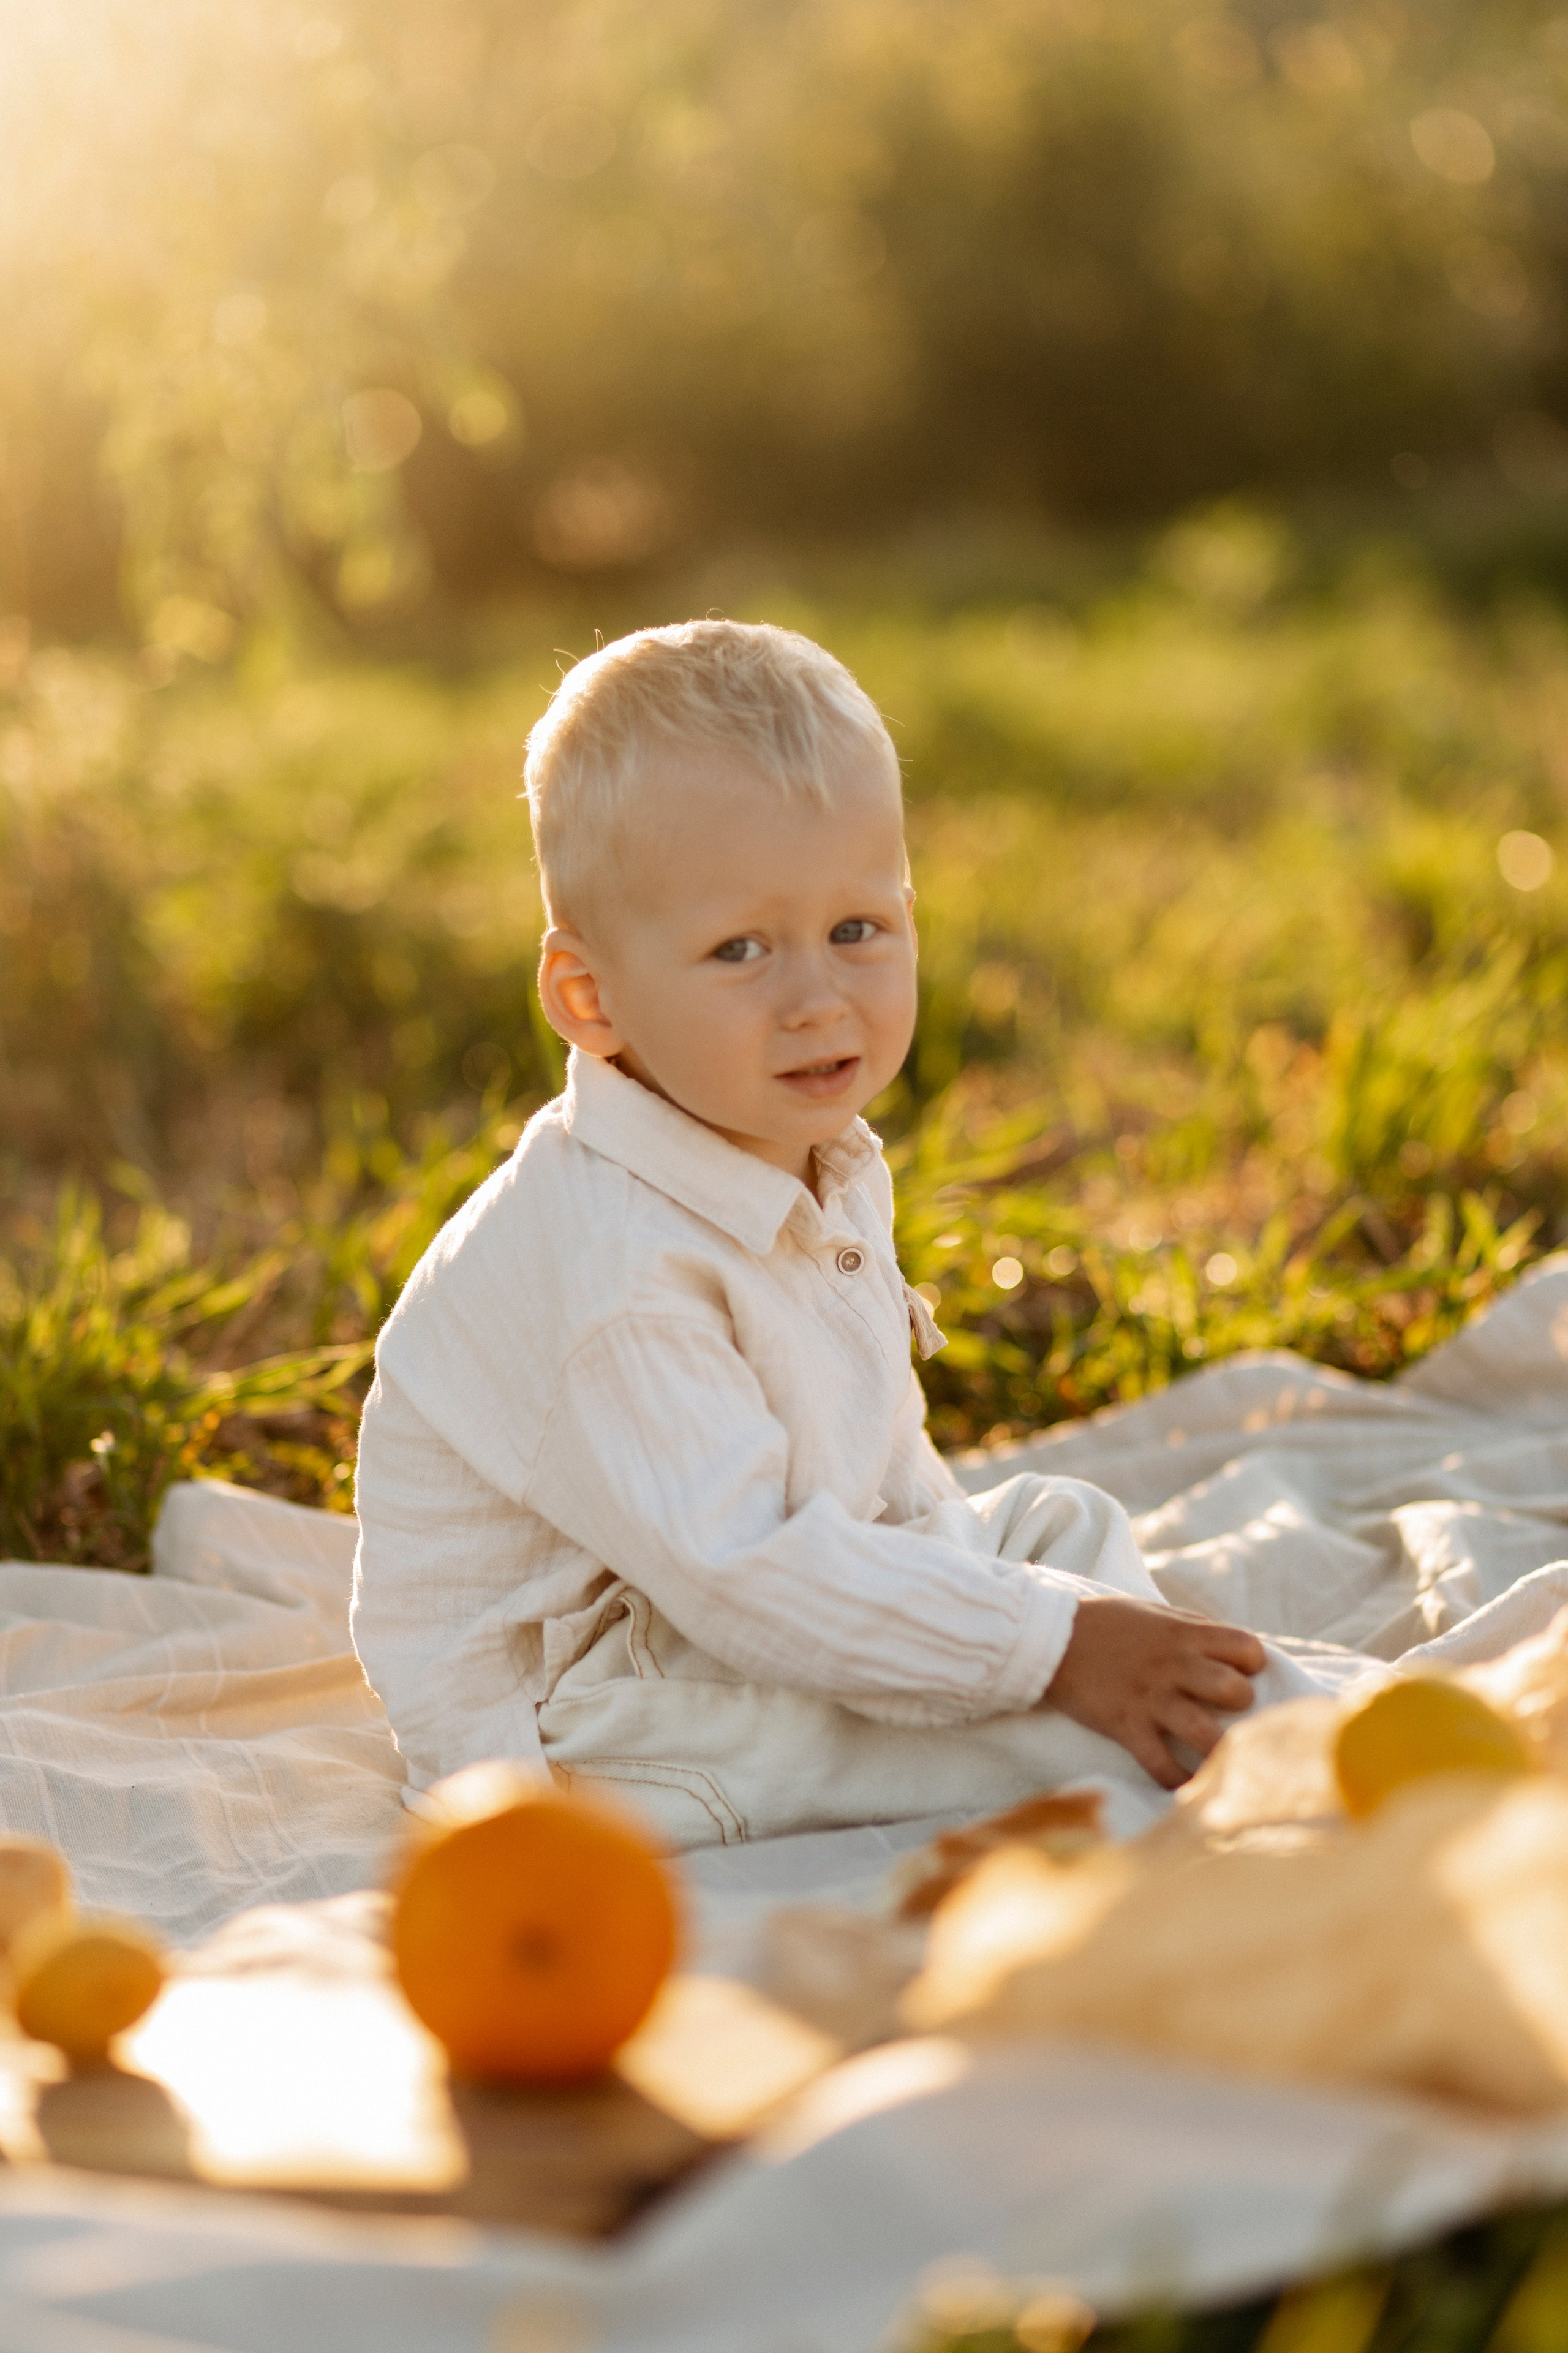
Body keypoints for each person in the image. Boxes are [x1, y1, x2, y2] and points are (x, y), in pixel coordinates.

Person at [352, 619, 1267, 1846]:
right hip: (594, 1720)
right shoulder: (615, 1268)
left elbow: (867, 1454)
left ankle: (1173, 1705)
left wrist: (1017, 1608)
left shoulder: (795, 1149)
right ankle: (1257, 1743)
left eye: (857, 929)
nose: (816, 997)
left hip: (717, 1616)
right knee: (1051, 1691)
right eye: (739, 948)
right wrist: (1045, 1649)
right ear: (591, 999)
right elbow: (747, 1577)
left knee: (1064, 1530)